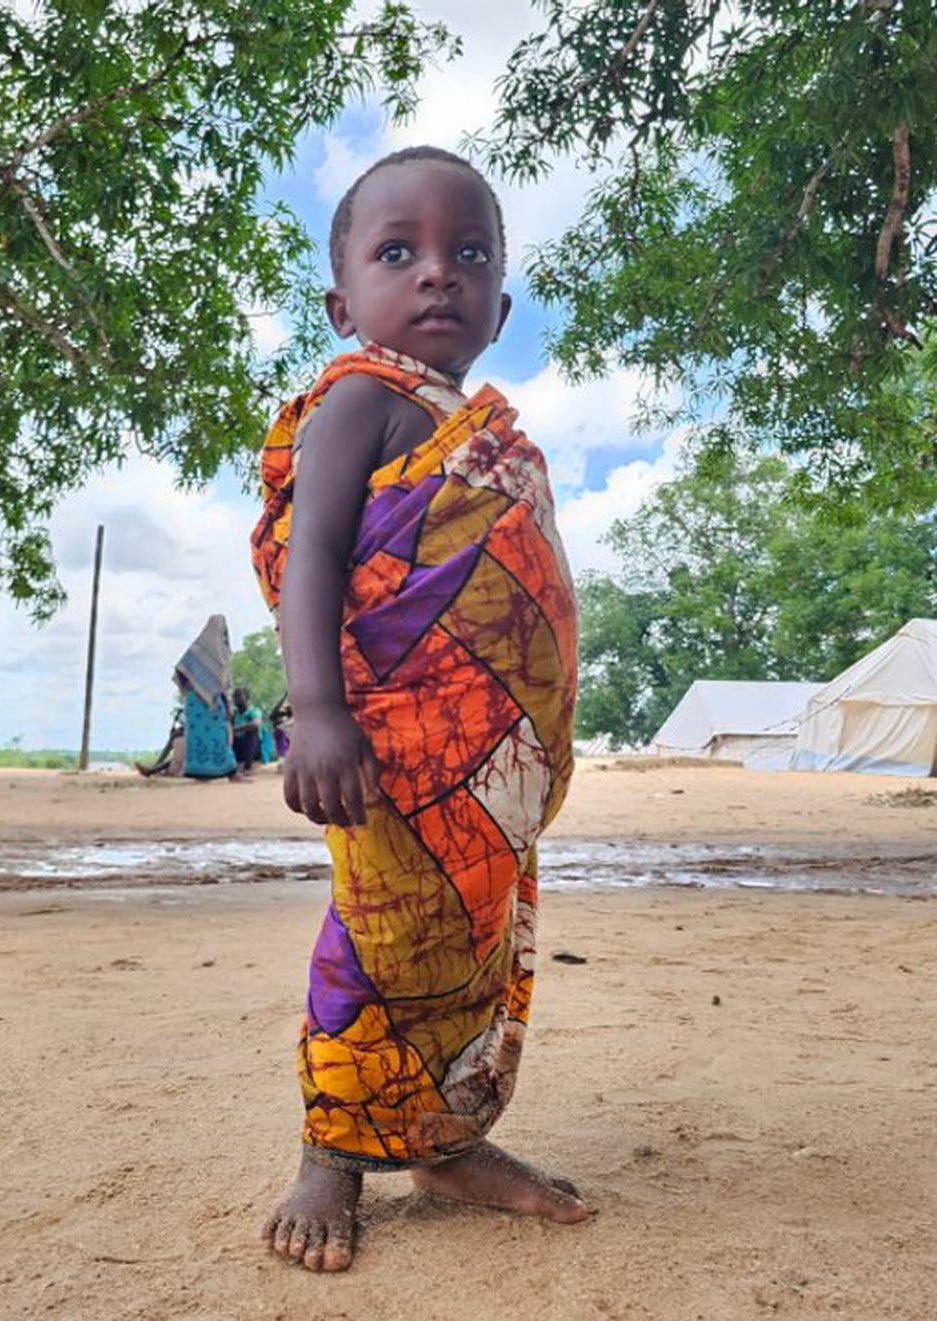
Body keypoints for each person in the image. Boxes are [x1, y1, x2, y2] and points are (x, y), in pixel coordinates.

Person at [250, 147, 585, 1273]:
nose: (438, 272)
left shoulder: (482, 429)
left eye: (469, 252)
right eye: (399, 252)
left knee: (471, 953)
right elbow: (314, 557)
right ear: (343, 304)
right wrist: (316, 709)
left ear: (503, 306)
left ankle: (448, 1142)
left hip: (486, 771)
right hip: (393, 753)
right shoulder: (362, 400)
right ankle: (330, 1154)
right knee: (379, 940)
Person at [174, 616, 238, 779]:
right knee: (212, 736)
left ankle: (224, 772)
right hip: (209, 703)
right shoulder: (203, 651)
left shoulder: (205, 651)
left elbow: (181, 672)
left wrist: (193, 687)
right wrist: (200, 688)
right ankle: (209, 773)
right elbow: (181, 670)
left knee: (216, 736)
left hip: (199, 703)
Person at [230, 687, 264, 777]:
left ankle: (247, 768)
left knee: (252, 732)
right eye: (234, 697)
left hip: (252, 750)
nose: (236, 699)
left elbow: (256, 724)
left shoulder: (254, 711)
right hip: (238, 748)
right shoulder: (234, 712)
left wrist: (235, 729)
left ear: (247, 698)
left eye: (239, 696)